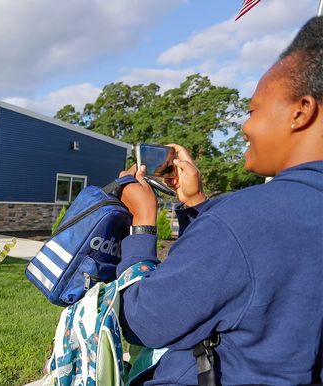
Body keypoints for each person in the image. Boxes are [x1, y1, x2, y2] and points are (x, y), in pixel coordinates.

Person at [117, 16, 323, 384]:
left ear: (301, 111)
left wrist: (143, 222)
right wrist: (196, 202)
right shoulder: (252, 220)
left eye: (253, 110)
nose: (245, 127)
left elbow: (143, 322)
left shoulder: (246, 221)